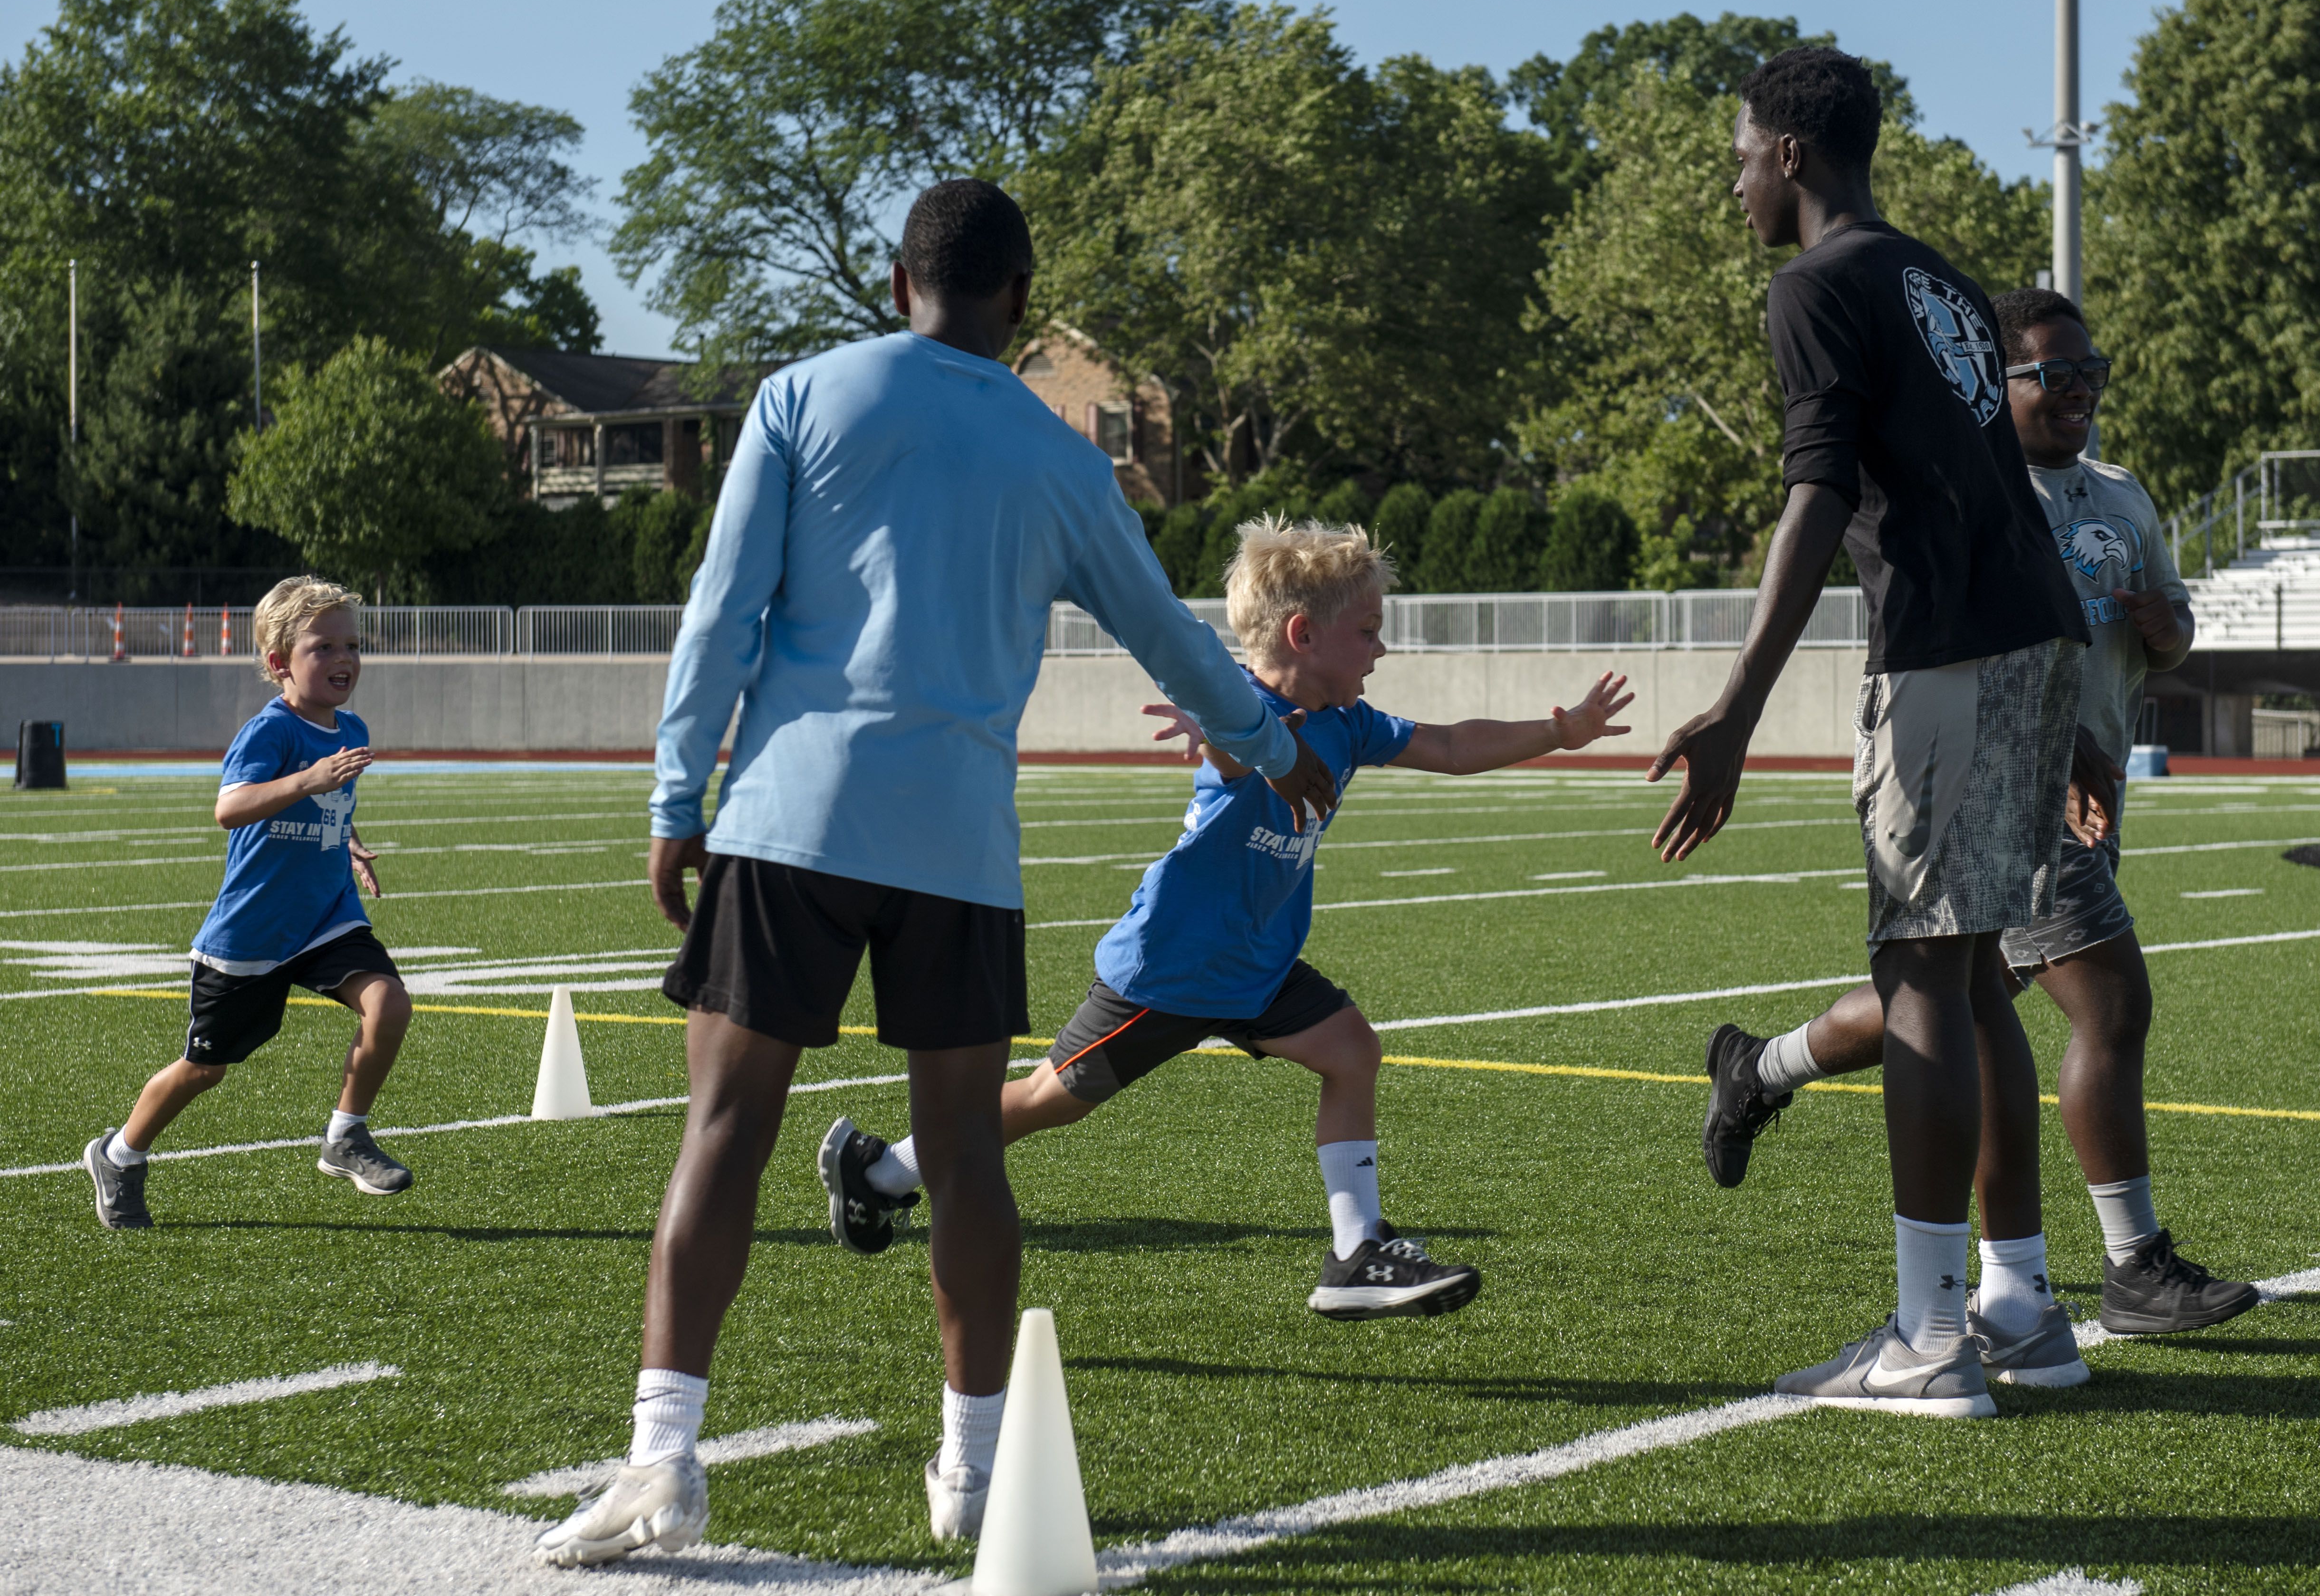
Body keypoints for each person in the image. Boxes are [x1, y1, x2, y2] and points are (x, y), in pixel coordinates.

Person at [534, 180, 1338, 1567]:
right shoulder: (1065, 462)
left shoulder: (801, 395)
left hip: (789, 823)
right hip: (960, 849)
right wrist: (1274, 743)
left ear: (895, 279)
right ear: (1021, 303)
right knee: (965, 1151)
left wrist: (676, 792)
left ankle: (662, 1461)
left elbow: (721, 610)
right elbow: (1172, 641)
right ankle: (973, 1472)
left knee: (723, 1131)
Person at [822, 517, 1633, 1330]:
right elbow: (1231, 751)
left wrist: (1559, 733)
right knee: (1048, 1099)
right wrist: (1212, 733)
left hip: (1258, 966)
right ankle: (885, 1173)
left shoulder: (1348, 723)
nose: (1381, 650)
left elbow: (1453, 745)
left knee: (1351, 1050)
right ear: (1303, 634)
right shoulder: (1241, 710)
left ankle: (1357, 1251)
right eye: (1369, 631)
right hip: (1175, 967)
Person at [1646, 48, 2104, 1418]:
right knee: (1973, 977)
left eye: (1738, 152)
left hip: (1945, 651)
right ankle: (2016, 1300)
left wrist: (1732, 706)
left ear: (1788, 154)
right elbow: (2000, 481)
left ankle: (1922, 1333)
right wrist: (2075, 688)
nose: (1732, 177)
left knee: (1919, 968)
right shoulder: (1939, 278)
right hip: (2028, 637)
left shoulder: (1813, 283)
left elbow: (1815, 491)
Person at [1701, 287, 2257, 1339]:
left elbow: (2166, 639)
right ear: (1992, 385)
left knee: (1961, 1001)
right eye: (2053, 372)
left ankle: (1759, 1067)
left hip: (2083, 779)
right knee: (2108, 1004)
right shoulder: (1976, 497)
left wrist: (2168, 625)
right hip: (2014, 781)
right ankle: (2126, 1266)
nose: (2079, 389)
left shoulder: (2118, 495)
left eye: (2091, 369)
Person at [82, 576, 412, 1231]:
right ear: (279, 663)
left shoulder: (352, 727)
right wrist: (311, 777)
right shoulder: (270, 731)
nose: (344, 658)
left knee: (390, 1002)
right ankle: (120, 1154)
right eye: (323, 647)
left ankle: (346, 1133)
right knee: (206, 1070)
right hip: (255, 930)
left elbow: (329, 804)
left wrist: (348, 843)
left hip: (325, 916)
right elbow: (229, 808)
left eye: (353, 644)